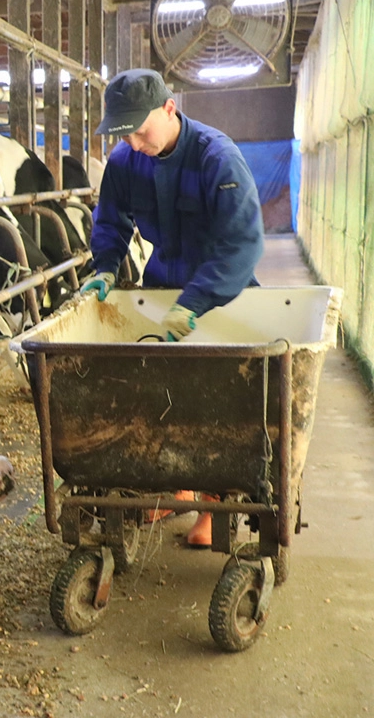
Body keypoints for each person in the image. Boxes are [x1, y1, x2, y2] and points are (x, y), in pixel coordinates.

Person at [80, 68, 265, 546]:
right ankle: (178, 485)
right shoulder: (125, 161)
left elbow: (241, 243)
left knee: (219, 401)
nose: (135, 143)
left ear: (169, 109)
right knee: (162, 394)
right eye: (125, 134)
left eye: (141, 130)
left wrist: (196, 303)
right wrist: (104, 267)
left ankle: (212, 507)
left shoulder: (217, 158)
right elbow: (110, 221)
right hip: (162, 288)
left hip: (223, 295)